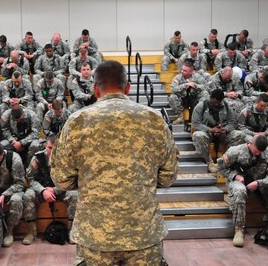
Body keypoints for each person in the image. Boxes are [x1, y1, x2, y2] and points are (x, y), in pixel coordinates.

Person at [51, 60, 179, 265]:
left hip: (95, 235)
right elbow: (168, 177)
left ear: (95, 89)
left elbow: (62, 180)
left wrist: (89, 182)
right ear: (128, 87)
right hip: (143, 232)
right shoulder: (154, 120)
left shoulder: (76, 121)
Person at [217, 135, 268, 247]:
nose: (258, 154)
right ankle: (239, 229)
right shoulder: (235, 151)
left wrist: (259, 183)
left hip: (262, 183)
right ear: (250, 143)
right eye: (256, 151)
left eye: (261, 152)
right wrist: (235, 176)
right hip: (240, 182)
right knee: (239, 190)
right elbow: (221, 168)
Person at [23, 136, 77, 245]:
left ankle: (71, 231)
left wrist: (54, 190)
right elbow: (31, 179)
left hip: (60, 190)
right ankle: (31, 231)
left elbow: (71, 179)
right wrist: (43, 191)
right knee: (28, 195)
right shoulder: (38, 158)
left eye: (54, 148)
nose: (51, 151)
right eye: (49, 147)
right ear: (45, 146)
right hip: (42, 190)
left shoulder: (65, 159)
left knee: (75, 195)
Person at [192, 89, 245, 172]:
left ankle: (225, 160)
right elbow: (195, 124)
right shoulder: (201, 106)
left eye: (219, 102)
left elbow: (232, 122)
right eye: (215, 102)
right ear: (211, 98)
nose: (217, 104)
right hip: (207, 132)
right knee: (197, 135)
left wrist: (225, 129)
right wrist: (210, 130)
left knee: (240, 134)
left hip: (222, 132)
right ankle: (209, 161)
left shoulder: (226, 106)